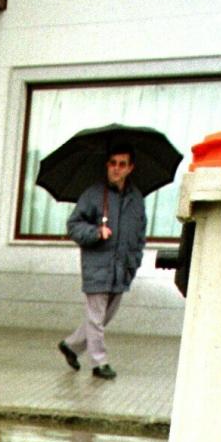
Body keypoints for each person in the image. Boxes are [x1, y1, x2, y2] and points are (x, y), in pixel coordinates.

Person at [58, 144, 146, 380]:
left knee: (104, 317)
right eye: (113, 163)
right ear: (107, 165)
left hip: (122, 268)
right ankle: (99, 362)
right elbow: (73, 226)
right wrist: (96, 232)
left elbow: (140, 233)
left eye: (122, 164)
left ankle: (71, 345)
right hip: (98, 265)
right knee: (96, 318)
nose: (117, 169)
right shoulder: (93, 195)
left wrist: (135, 261)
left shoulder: (136, 198)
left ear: (130, 168)